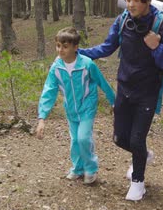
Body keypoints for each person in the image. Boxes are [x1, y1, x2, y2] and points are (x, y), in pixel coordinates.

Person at [78, 0, 163, 201]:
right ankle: (143, 155)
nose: (130, 4)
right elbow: (107, 47)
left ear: (148, 0)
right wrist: (79, 53)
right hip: (124, 88)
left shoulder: (162, 26)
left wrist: (156, 48)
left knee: (136, 139)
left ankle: (138, 182)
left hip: (148, 92)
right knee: (119, 138)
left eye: (135, 0)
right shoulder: (123, 19)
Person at [35, 27, 116, 185]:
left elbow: (102, 83)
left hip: (87, 106)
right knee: (75, 141)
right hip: (71, 109)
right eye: (58, 45)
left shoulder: (87, 64)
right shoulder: (56, 68)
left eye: (65, 46)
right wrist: (42, 118)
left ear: (75, 47)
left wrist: (114, 101)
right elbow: (48, 92)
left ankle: (91, 169)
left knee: (84, 137)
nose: (60, 50)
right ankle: (78, 169)